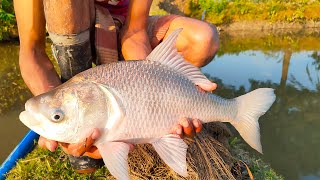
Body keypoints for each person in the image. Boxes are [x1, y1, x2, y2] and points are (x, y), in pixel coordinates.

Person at [14, 0, 219, 173]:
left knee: (202, 39)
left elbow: (135, 33)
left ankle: (126, 120)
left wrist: (149, 101)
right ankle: (79, 123)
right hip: (75, 34)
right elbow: (31, 53)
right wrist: (54, 111)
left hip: (123, 34)